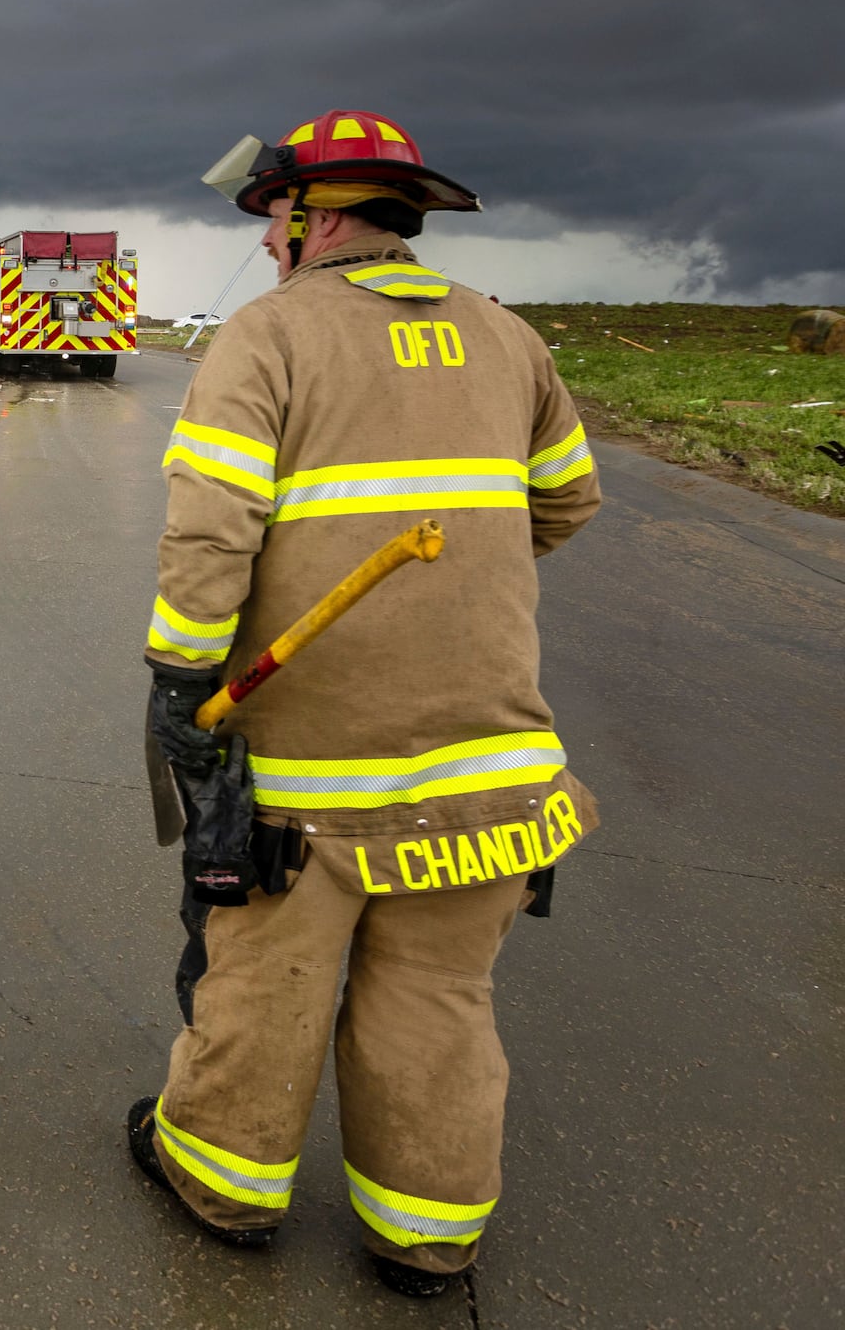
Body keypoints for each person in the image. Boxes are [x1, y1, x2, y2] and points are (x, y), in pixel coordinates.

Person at [128, 110, 603, 1298]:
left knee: (266, 980)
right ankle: (426, 1234)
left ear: (314, 215)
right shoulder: (508, 340)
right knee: (439, 992)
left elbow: (208, 533)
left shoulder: (267, 338)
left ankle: (222, 1188)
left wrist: (182, 685)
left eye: (273, 218)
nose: (269, 244)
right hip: (488, 774)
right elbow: (565, 504)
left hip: (307, 773)